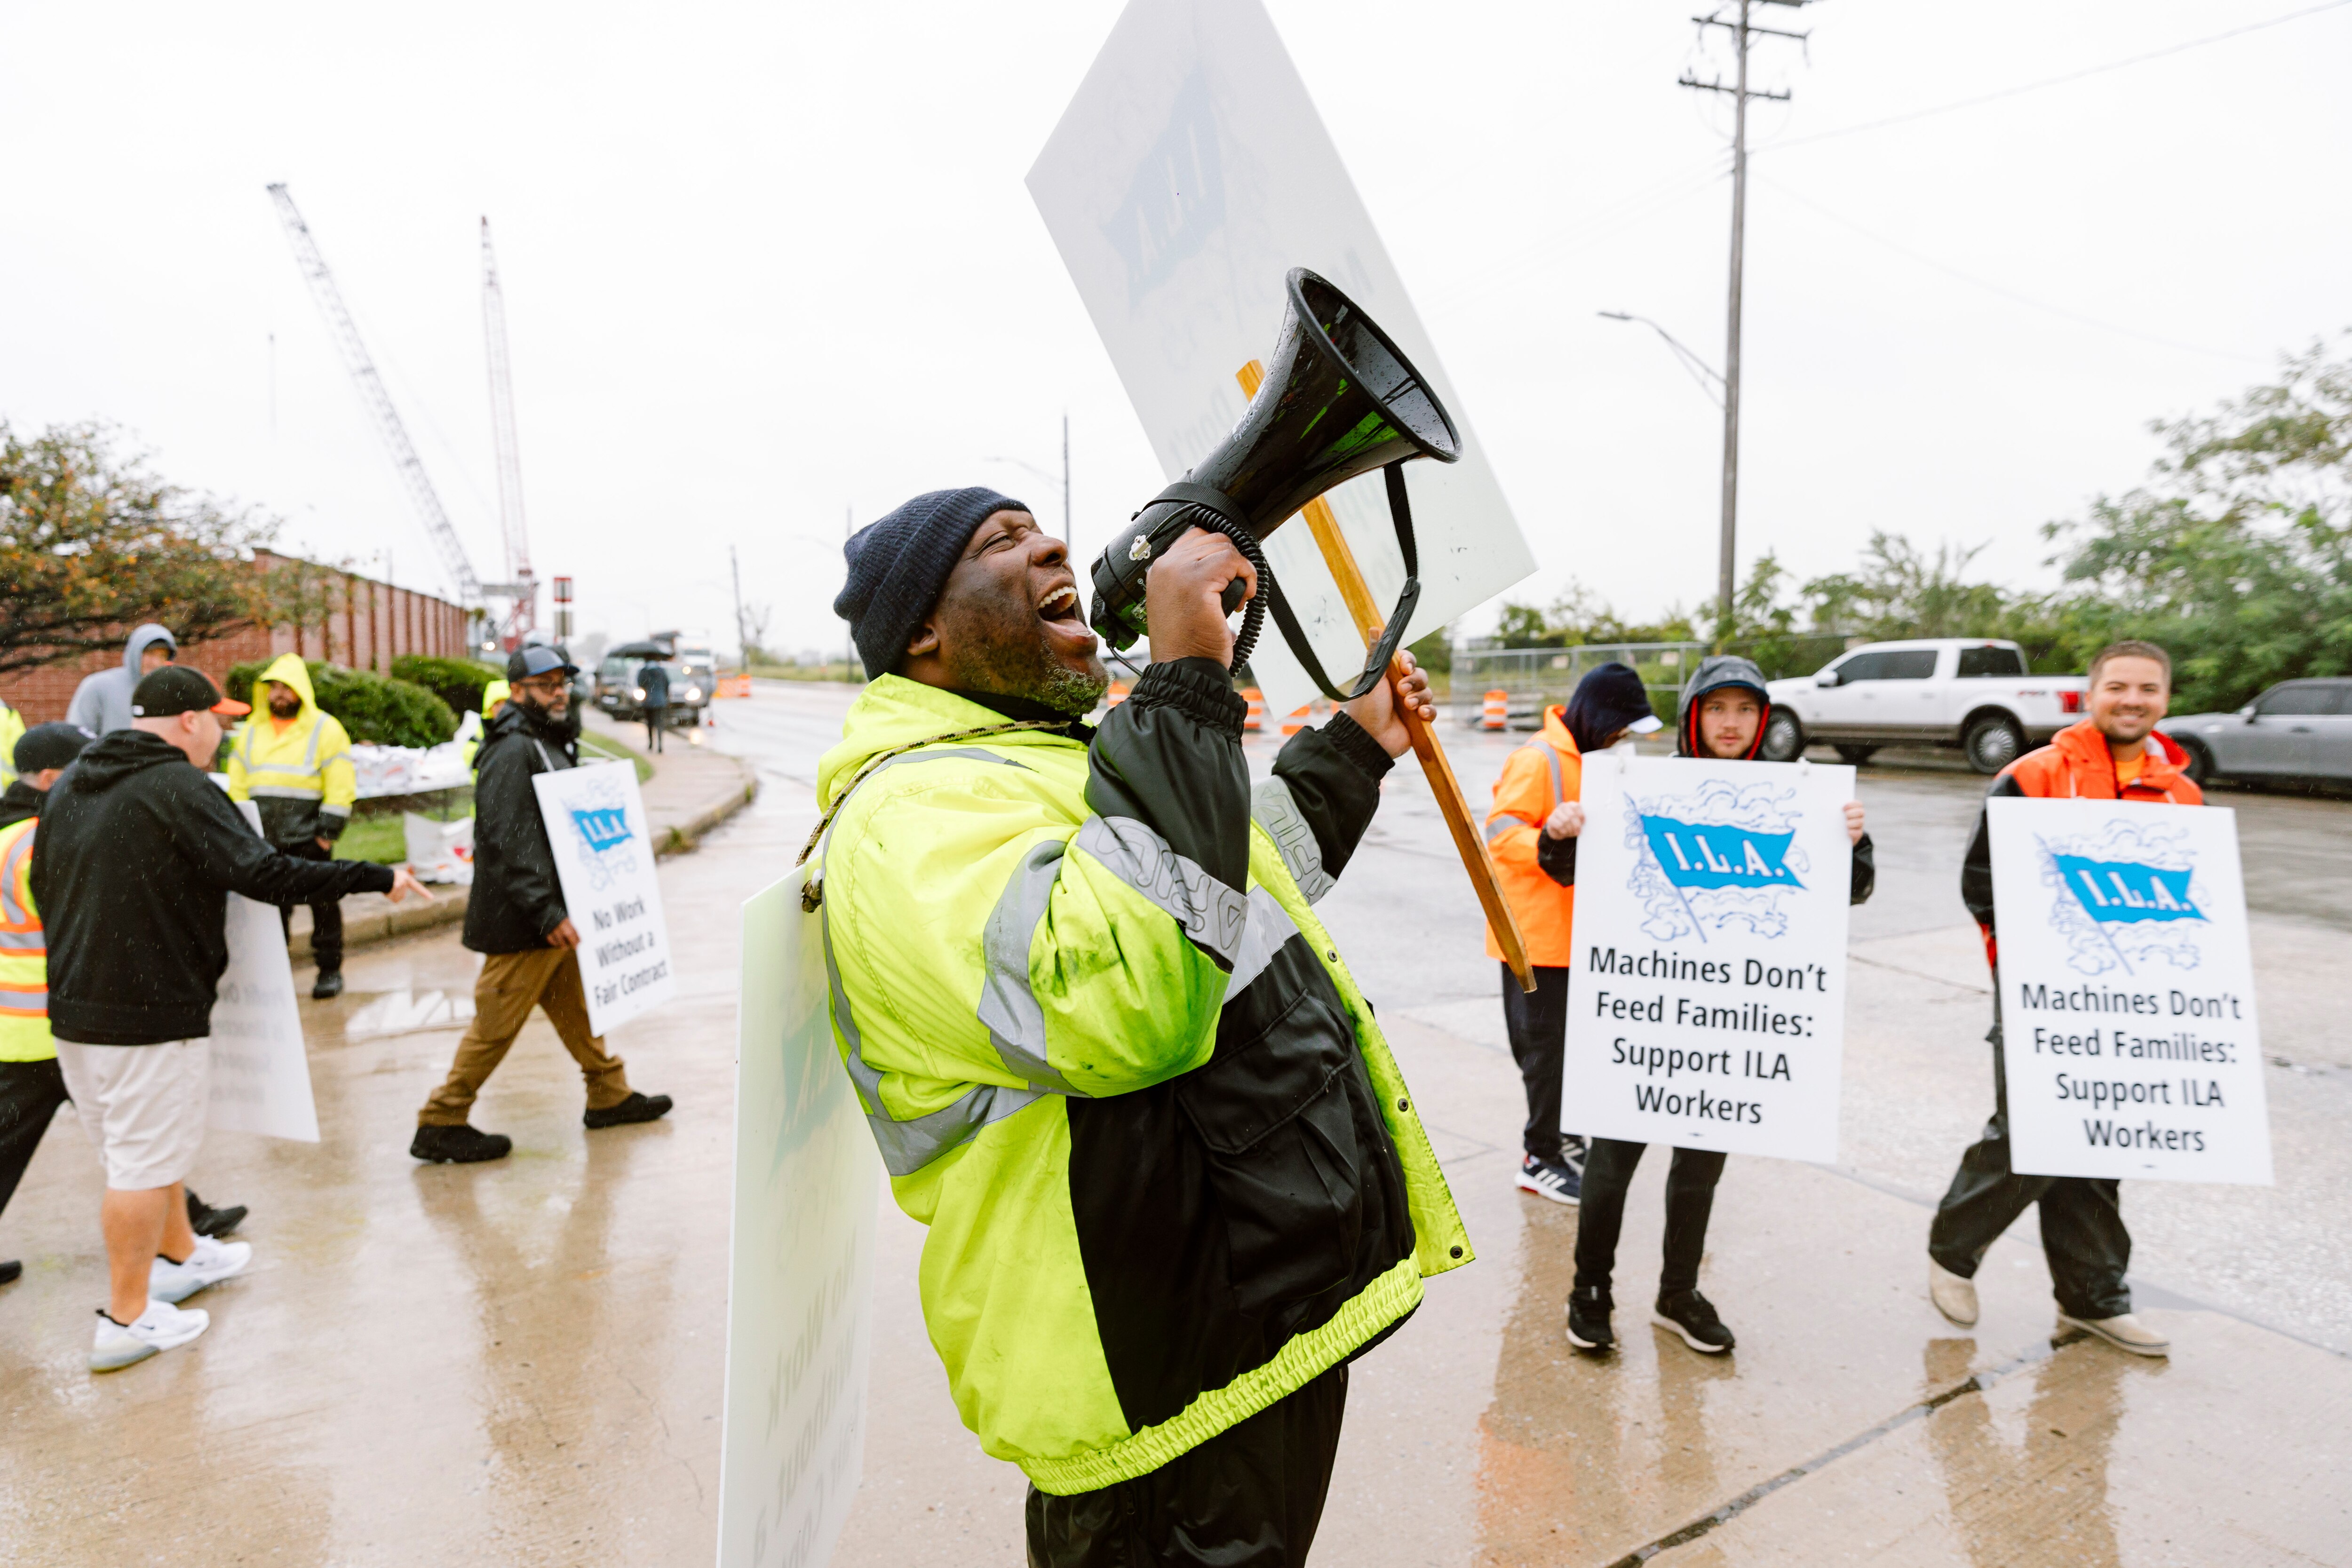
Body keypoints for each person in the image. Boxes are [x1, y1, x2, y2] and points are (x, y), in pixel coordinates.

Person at [816, 486, 1468, 1565]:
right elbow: (1130, 1001)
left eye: (1039, 527)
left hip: (1217, 1329)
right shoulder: (908, 817)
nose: (1053, 545)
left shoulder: (1038, 760)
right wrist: (1185, 686)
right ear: (922, 634)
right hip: (1145, 1378)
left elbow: (1216, 898)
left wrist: (1352, 750)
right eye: (1001, 542)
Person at [31, 667, 429, 1370]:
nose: (226, 730)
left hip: (75, 1009)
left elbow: (50, 881)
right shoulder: (179, 787)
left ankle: (181, 1255)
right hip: (148, 1012)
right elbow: (266, 873)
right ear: (189, 721)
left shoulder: (70, 786)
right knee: (141, 1163)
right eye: (219, 719)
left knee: (140, 1150)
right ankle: (126, 1317)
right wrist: (377, 876)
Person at [1549, 655, 1873, 1356]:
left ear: (1765, 720)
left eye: (1747, 710)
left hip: (1728, 1030)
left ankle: (1678, 1293)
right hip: (1642, 1021)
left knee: (1700, 1171)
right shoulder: (1641, 787)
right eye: (1719, 708)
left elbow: (1851, 891)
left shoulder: (1799, 798)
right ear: (1696, 713)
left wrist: (1853, 842)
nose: (1733, 723)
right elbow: (1571, 871)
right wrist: (1563, 830)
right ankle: (1589, 1290)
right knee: (1611, 1165)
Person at [1926, 641, 2190, 1359]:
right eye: (2117, 686)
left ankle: (2093, 1302)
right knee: (2034, 1126)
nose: (2131, 700)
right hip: (2041, 991)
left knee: (2099, 1142)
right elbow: (1983, 882)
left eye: (2147, 689)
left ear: (2164, 698)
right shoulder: (2035, 775)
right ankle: (1954, 1249)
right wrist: (2029, 966)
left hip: (2130, 1004)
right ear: (2091, 693)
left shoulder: (2181, 794)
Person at [411, 645, 672, 1163]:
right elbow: (508, 840)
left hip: (556, 915)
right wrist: (546, 912)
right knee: (494, 1026)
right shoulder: (512, 751)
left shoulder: (546, 742)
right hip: (524, 922)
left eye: (563, 683)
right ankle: (441, 1119)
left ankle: (608, 1093)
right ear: (517, 691)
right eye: (545, 684)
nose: (558, 692)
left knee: (579, 1011)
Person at [1482, 662, 1661, 1206]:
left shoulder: (1597, 759)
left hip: (1580, 936)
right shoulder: (1538, 759)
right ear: (1599, 715)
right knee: (1543, 1053)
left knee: (1568, 1052)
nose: (1622, 738)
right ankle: (1540, 1157)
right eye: (1620, 727)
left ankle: (1562, 1137)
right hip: (1535, 940)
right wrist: (1547, 838)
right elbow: (1498, 832)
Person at [0, 724, 94, 1289]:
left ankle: (190, 1216)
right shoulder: (40, 840)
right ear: (54, 778)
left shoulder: (5, 833)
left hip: (17, 1021)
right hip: (49, 1020)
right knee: (128, 1132)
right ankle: (186, 1225)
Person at [225, 654, 360, 1001]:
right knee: (272, 912)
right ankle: (277, 973)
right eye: (274, 688)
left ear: (301, 690)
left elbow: (341, 783)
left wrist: (326, 833)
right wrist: (244, 830)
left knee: (325, 905)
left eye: (287, 687)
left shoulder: (325, 729)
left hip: (310, 837)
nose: (280, 695)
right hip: (265, 840)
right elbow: (237, 783)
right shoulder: (251, 732)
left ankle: (329, 970)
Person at [65, 623, 177, 735]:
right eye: (150, 653)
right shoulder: (99, 686)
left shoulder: (171, 693)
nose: (156, 662)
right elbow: (76, 737)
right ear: (135, 653)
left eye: (162, 656)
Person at [636, 657, 669, 753]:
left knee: (650, 723)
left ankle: (651, 743)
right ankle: (660, 745)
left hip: (649, 700)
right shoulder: (661, 671)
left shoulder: (644, 671)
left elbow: (640, 683)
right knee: (660, 723)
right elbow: (667, 684)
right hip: (661, 700)